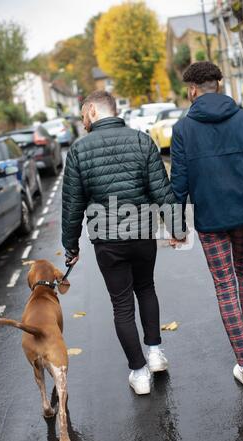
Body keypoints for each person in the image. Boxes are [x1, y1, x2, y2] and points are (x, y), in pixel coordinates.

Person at [62, 91, 184, 395]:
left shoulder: (79, 150)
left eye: (82, 115)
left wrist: (71, 246)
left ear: (91, 111)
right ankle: (155, 353)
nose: (82, 121)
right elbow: (161, 188)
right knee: (146, 288)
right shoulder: (142, 140)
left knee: (122, 304)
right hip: (142, 232)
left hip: (107, 239)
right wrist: (177, 227)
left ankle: (139, 373)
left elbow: (72, 204)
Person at [170, 62, 243, 387]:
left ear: (193, 90)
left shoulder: (184, 129)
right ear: (219, 84)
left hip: (210, 219)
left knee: (225, 284)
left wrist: (176, 226)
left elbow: (179, 182)